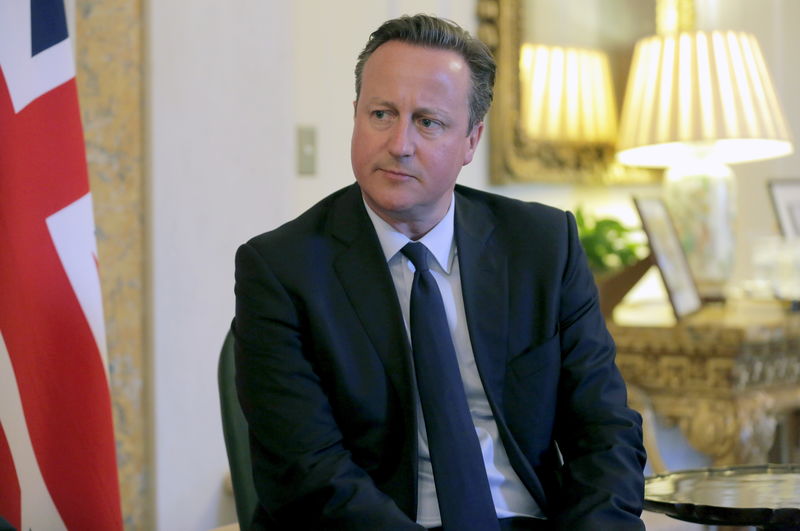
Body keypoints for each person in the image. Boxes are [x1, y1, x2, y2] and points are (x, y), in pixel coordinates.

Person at [233, 14, 646, 531]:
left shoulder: (542, 246)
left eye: (428, 122)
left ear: (471, 140)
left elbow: (604, 429)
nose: (399, 143)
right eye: (381, 114)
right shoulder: (281, 269)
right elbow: (308, 473)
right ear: (355, 116)